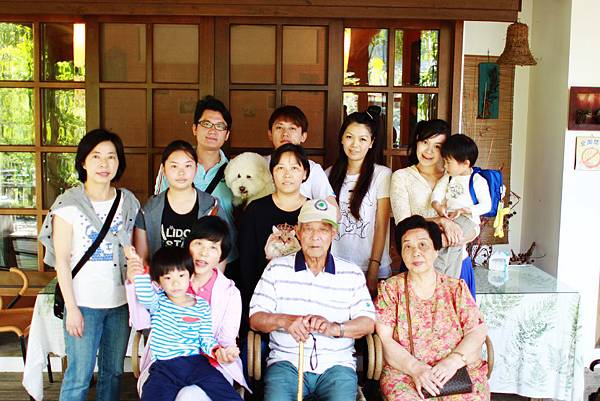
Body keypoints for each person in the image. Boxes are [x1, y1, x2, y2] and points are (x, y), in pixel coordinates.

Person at [38, 129, 140, 401]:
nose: (104, 163)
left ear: (119, 162)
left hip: (119, 304)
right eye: (96, 156)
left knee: (113, 373)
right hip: (82, 304)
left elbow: (136, 250)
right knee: (79, 376)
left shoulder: (128, 202)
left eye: (111, 156)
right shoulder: (68, 204)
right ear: (83, 161)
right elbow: (61, 259)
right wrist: (71, 309)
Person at [250, 198, 375, 401]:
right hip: (287, 363)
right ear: (298, 233)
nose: (315, 237)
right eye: (308, 229)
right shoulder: (276, 268)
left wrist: (334, 328)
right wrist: (285, 321)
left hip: (337, 366)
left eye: (323, 230)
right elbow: (256, 318)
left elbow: (367, 323)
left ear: (333, 234)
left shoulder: (351, 273)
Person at [126, 216, 248, 401]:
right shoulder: (165, 283)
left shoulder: (228, 293)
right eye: (199, 243)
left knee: (190, 396)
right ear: (188, 245)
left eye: (213, 247)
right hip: (163, 364)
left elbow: (221, 339)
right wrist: (135, 278)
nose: (204, 253)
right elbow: (141, 321)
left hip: (208, 365)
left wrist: (222, 352)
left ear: (222, 255)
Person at [375, 215, 489, 401]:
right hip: (406, 373)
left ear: (436, 250)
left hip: (457, 370)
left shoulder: (456, 288)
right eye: (407, 246)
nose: (416, 253)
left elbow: (477, 331)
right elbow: (385, 339)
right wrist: (416, 368)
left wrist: (452, 362)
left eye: (423, 245)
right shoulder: (390, 289)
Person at [389, 119, 477, 296]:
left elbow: (474, 228)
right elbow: (403, 224)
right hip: (417, 265)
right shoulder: (402, 177)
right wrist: (442, 221)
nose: (429, 151)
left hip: (458, 265)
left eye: (437, 146)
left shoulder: (456, 177)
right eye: (425, 142)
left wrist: (444, 241)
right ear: (416, 142)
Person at [154, 95, 238, 268]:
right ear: (194, 128)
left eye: (220, 126)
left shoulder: (235, 171)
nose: (213, 130)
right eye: (206, 124)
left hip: (223, 259)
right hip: (180, 259)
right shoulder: (174, 167)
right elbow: (159, 208)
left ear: (227, 134)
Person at [327, 106, 392, 296]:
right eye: (349, 137)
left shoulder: (382, 175)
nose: (355, 144)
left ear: (371, 143)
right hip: (335, 266)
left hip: (371, 267)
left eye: (362, 139)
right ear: (341, 138)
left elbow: (381, 225)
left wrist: (373, 268)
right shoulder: (328, 174)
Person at [134, 140, 230, 264]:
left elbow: (221, 255)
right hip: (160, 275)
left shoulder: (212, 207)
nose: (181, 172)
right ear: (163, 170)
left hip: (202, 276)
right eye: (174, 166)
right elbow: (142, 259)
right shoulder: (149, 209)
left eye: (188, 166)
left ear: (196, 169)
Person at [238, 143, 309, 310]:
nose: (287, 175)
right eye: (280, 168)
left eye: (294, 168)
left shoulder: (312, 211)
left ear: (305, 173)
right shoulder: (255, 209)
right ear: (272, 173)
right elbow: (247, 261)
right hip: (262, 297)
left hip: (303, 298)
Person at [430, 134, 491, 279]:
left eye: (448, 162)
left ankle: (442, 276)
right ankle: (448, 279)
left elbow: (486, 205)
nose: (445, 166)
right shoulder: (448, 177)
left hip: (467, 219)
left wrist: (464, 210)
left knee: (450, 243)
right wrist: (438, 207)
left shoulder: (477, 180)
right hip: (450, 218)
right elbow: (436, 195)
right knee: (446, 243)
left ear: (465, 163)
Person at [265, 105, 337, 205]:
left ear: (303, 136)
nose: (285, 133)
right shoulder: (259, 164)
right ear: (270, 134)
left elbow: (332, 208)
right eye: (279, 127)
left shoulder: (313, 169)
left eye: (292, 128)